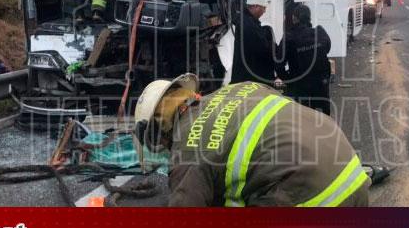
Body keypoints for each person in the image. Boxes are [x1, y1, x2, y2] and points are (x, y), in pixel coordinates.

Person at [132, 73, 370, 207]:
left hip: (317, 201)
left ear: (158, 130)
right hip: (353, 179)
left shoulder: (187, 146)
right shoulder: (239, 88)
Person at [276, 3, 333, 115]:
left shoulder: (289, 37)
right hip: (321, 84)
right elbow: (327, 48)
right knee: (323, 116)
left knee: (303, 118)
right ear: (309, 18)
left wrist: (289, 81)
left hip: (300, 86)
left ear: (294, 18)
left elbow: (279, 64)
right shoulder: (320, 32)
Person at [229, 0, 275, 84]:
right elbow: (263, 48)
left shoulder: (246, 21)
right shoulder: (248, 25)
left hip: (245, 78)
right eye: (263, 8)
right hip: (249, 81)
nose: (264, 11)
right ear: (255, 6)